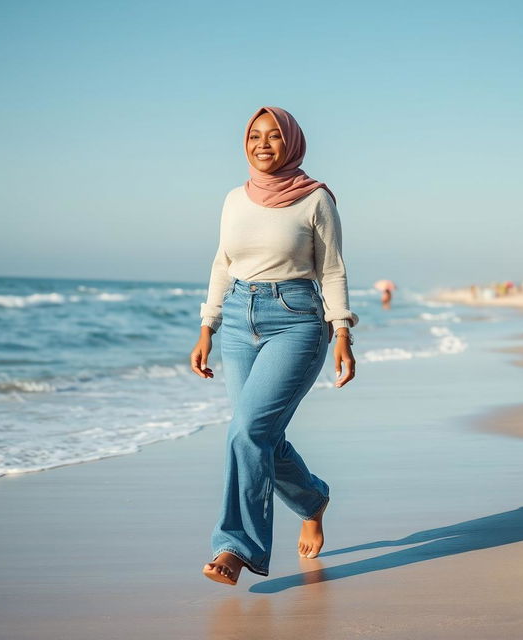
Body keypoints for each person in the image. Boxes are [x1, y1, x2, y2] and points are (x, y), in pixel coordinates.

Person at [190, 106, 359, 585]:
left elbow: (332, 270)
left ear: (292, 142)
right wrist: (208, 325)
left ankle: (234, 548)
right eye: (254, 136)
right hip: (240, 321)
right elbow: (222, 263)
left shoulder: (315, 200)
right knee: (260, 436)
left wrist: (342, 332)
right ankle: (311, 499)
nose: (263, 144)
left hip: (297, 321)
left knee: (246, 432)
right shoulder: (233, 199)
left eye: (274, 136)